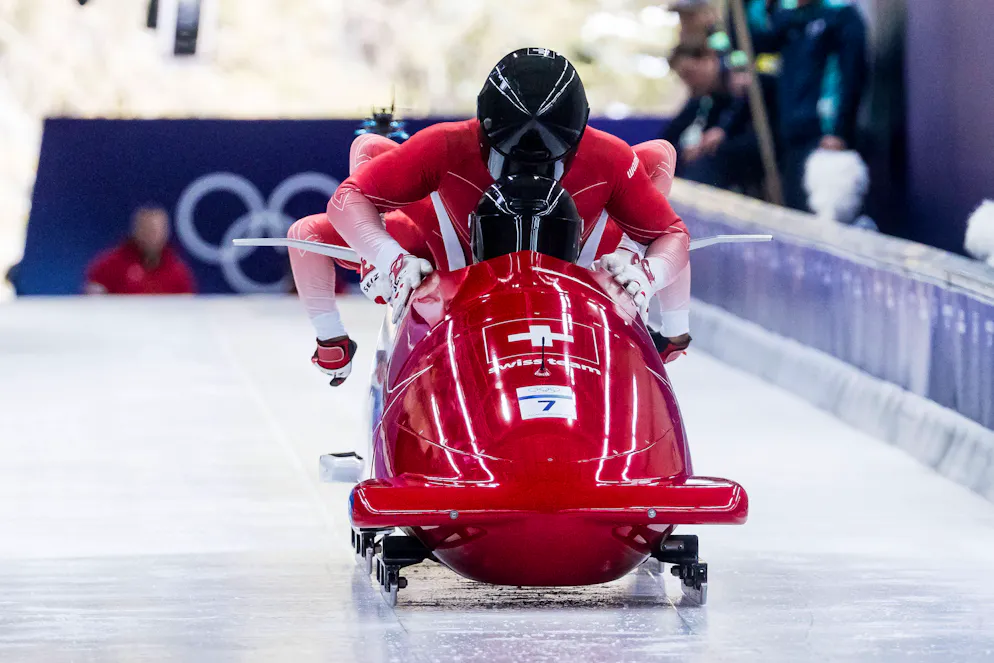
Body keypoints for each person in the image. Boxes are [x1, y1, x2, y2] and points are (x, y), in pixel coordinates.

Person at [292, 48, 690, 384]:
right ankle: (673, 333)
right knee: (368, 155)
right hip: (457, 273)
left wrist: (642, 270)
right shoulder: (444, 148)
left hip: (576, 277)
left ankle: (671, 331)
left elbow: (670, 232)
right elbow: (348, 199)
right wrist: (389, 258)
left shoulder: (610, 159)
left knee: (656, 159)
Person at [748, 0, 868, 210]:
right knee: (795, 210)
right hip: (792, 138)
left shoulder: (840, 16)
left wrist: (838, 131)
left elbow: (850, 77)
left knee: (826, 214)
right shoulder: (790, 20)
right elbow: (752, 41)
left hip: (824, 138)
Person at [662, 44, 774, 193]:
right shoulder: (708, 98)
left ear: (708, 60)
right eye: (683, 78)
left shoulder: (744, 82)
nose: (689, 82)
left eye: (690, 73)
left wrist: (723, 132)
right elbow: (673, 131)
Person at [84, 206, 196, 295]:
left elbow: (187, 308)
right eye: (147, 230)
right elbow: (93, 304)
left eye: (156, 231)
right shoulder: (108, 265)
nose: (151, 236)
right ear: (136, 231)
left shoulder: (178, 271)